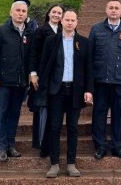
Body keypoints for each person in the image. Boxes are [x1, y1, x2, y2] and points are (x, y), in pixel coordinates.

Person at [37, 10, 93, 178]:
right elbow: (44, 66)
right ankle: (54, 164)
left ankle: (71, 163)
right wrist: (44, 88)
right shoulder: (51, 41)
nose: (69, 23)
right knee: (54, 127)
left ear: (77, 22)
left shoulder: (84, 42)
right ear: (61, 21)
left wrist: (89, 90)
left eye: (72, 20)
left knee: (73, 128)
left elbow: (88, 69)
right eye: (66, 20)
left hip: (75, 90)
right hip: (57, 91)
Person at [89, 0, 121, 160]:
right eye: (111, 7)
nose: (114, 10)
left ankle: (117, 146)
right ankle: (100, 146)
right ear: (106, 10)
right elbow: (90, 57)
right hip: (100, 81)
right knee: (99, 114)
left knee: (119, 114)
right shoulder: (96, 29)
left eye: (117, 8)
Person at [0, 0, 35, 162]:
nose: (21, 14)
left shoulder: (29, 33)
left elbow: (31, 57)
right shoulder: (1, 31)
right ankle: (1, 147)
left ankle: (10, 144)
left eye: (23, 11)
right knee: (1, 113)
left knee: (14, 114)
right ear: (11, 12)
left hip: (20, 82)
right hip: (3, 82)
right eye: (18, 10)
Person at [28, 4, 64, 157]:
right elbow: (33, 53)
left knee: (54, 112)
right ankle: (41, 143)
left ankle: (52, 143)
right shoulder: (41, 31)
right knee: (42, 110)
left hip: (59, 78)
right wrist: (33, 73)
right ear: (49, 13)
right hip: (43, 76)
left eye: (59, 13)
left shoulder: (65, 31)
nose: (56, 15)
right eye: (54, 12)